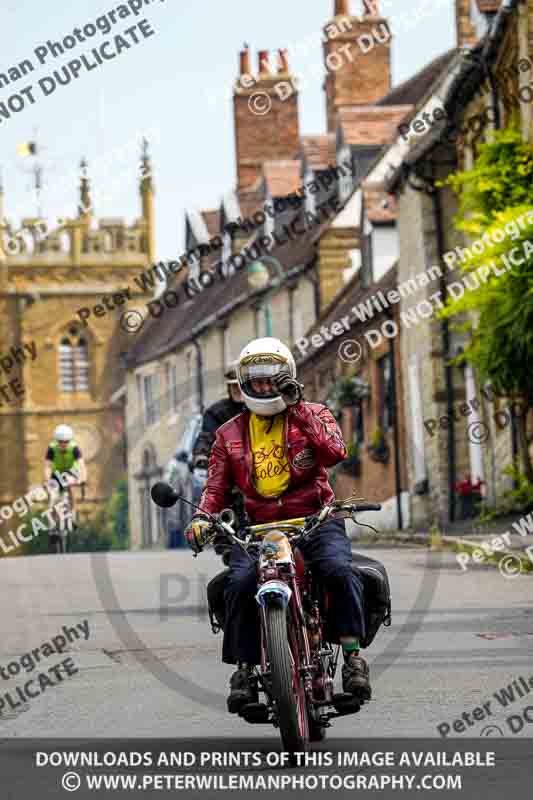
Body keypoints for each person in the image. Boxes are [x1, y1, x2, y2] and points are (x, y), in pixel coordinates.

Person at [184, 337, 370, 714]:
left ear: (288, 377)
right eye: (257, 380)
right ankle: (245, 670)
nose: (266, 387)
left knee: (337, 569)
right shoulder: (228, 434)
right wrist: (203, 519)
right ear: (244, 382)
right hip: (261, 530)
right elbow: (216, 487)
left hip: (316, 519)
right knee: (236, 583)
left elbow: (334, 452)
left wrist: (297, 407)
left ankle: (352, 658)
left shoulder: (314, 413)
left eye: (274, 379)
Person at [44, 425, 87, 521]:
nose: (63, 444)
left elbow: (82, 465)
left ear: (70, 440)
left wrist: (83, 479)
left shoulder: (74, 448)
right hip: (57, 473)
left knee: (69, 484)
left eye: (66, 441)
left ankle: (73, 512)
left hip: (71, 471)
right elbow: (47, 466)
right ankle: (52, 525)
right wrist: (48, 480)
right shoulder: (52, 448)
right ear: (56, 441)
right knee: (52, 497)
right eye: (60, 441)